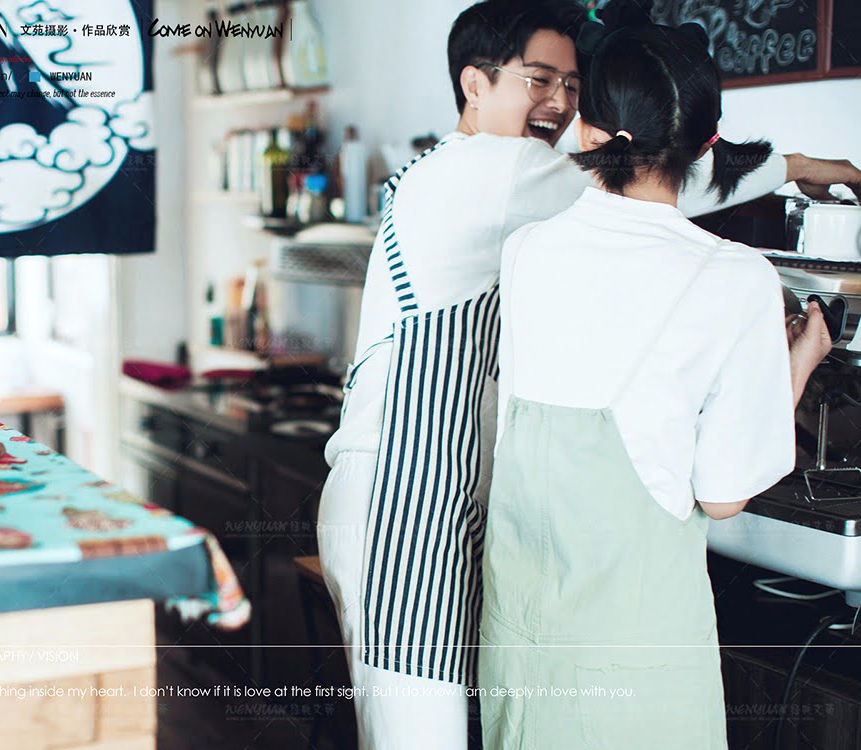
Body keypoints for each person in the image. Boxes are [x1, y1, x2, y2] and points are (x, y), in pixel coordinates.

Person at [317, 1, 861, 748]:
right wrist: (801, 170)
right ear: (474, 84)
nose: (559, 102)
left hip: (465, 514)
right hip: (404, 507)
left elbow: (644, 174)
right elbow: (657, 178)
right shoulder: (500, 172)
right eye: (539, 79)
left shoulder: (521, 228)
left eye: (574, 87)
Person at [478, 6, 837, 749]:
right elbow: (723, 494)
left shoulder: (526, 251)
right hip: (635, 660)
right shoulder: (735, 277)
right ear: (708, 147)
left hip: (521, 646)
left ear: (586, 130)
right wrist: (799, 361)